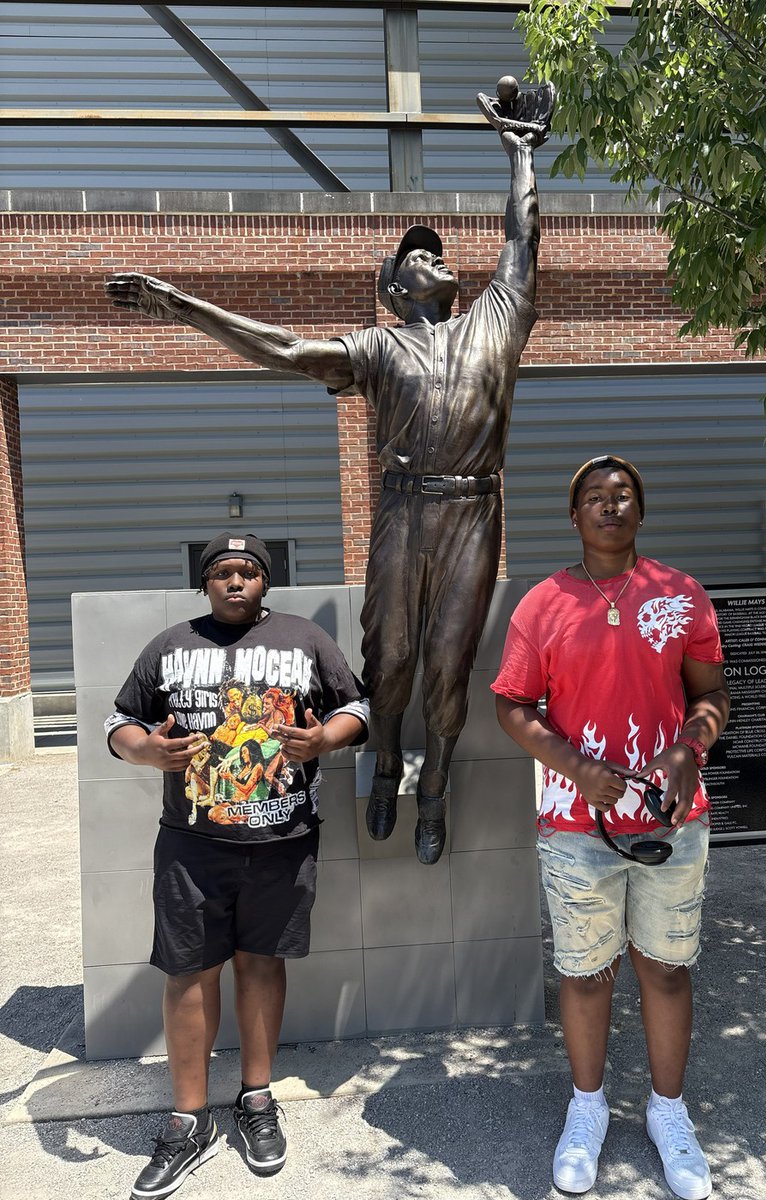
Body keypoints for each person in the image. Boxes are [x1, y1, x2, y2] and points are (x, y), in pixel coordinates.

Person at [106, 78, 554, 865]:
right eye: (418, 257)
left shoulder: (494, 320)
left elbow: (522, 240)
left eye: (440, 255)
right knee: (391, 658)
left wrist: (520, 153)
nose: (437, 261)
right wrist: (182, 306)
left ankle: (437, 784)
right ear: (393, 288)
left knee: (450, 659)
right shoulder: (377, 347)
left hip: (474, 515)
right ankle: (385, 764)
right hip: (403, 511)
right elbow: (282, 348)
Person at [491, 456, 730, 1200]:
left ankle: (668, 1113)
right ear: (574, 516)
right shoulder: (543, 604)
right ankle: (587, 1109)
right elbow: (513, 705)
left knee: (665, 967)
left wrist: (691, 748)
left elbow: (713, 691)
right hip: (576, 825)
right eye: (594, 497)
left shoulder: (680, 595)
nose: (610, 505)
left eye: (622, 495)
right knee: (587, 974)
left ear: (640, 510)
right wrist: (574, 763)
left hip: (671, 822)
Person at [105, 533, 368, 1199]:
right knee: (189, 974)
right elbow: (120, 721)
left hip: (282, 842)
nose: (234, 581)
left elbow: (358, 706)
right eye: (221, 572)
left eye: (247, 571)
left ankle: (255, 1102)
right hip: (193, 844)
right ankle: (187, 1119)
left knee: (260, 964)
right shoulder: (170, 647)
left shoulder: (306, 639)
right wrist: (146, 754)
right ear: (204, 584)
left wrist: (323, 738)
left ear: (265, 581)